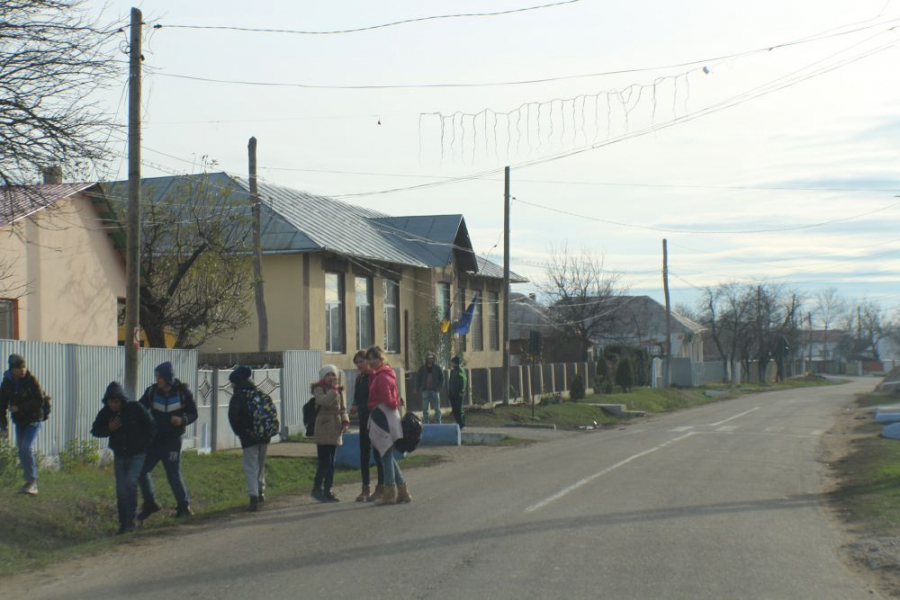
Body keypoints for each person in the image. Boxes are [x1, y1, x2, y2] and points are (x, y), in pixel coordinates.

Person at [91, 382, 156, 534]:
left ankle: (132, 521)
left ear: (122, 400)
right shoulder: (106, 413)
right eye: (111, 402)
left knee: (131, 482)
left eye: (116, 401)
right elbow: (95, 430)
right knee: (121, 490)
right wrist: (109, 429)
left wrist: (144, 444)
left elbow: (151, 425)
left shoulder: (135, 408)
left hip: (138, 454)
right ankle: (123, 523)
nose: (113, 405)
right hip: (120, 455)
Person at [137, 361, 198, 520]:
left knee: (173, 475)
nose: (157, 379)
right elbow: (140, 409)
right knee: (142, 471)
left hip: (172, 441)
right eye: (156, 376)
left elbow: (193, 413)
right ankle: (150, 503)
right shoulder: (151, 391)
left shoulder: (183, 392)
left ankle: (184, 507)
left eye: (160, 377)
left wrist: (183, 419)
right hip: (154, 441)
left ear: (167, 377)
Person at [0, 354, 50, 496]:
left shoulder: (31, 380)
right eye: (19, 367)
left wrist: (20, 408)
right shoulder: (6, 383)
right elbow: (1, 406)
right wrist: (3, 427)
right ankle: (28, 482)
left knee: (26, 448)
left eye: (24, 366)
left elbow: (39, 401)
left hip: (34, 419)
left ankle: (32, 482)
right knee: (21, 451)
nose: (22, 370)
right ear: (12, 370)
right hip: (20, 422)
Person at [366, 346, 411, 505]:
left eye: (374, 358)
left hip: (383, 418)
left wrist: (396, 402)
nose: (371, 362)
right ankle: (403, 492)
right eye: (369, 358)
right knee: (388, 456)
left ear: (381, 359)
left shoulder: (382, 377)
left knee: (385, 455)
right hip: (384, 417)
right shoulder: (383, 374)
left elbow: (389, 400)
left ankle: (390, 493)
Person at [227, 365, 272, 512]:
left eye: (232, 382)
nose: (231, 385)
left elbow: (233, 417)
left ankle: (253, 497)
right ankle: (261, 491)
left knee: (250, 466)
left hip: (249, 438)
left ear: (236, 382)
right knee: (260, 463)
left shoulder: (238, 396)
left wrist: (241, 433)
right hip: (264, 436)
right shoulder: (259, 393)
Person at [311, 365, 350, 503]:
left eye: (333, 375)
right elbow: (325, 402)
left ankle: (328, 490)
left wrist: (345, 421)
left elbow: (343, 409)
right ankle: (316, 488)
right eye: (328, 375)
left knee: (332, 462)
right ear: (323, 377)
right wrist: (333, 390)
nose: (331, 378)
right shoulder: (318, 389)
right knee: (324, 461)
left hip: (335, 426)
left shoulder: (339, 391)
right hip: (323, 426)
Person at [351, 350, 384, 503]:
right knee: (364, 453)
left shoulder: (374, 377)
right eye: (357, 362)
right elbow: (357, 398)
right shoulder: (359, 379)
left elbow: (374, 400)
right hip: (363, 420)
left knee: (378, 454)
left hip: (375, 419)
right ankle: (365, 488)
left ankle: (381, 487)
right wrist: (354, 406)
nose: (359, 365)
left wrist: (360, 407)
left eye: (361, 361)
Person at [416, 351, 444, 425]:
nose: (430, 359)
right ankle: (426, 423)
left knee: (437, 408)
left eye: (432, 358)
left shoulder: (437, 368)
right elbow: (418, 378)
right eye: (429, 358)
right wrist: (417, 388)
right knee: (425, 409)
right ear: (426, 359)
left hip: (435, 391)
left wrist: (439, 388)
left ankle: (438, 423)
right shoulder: (422, 368)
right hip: (425, 391)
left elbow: (442, 379)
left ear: (434, 359)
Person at [448, 356, 467, 430]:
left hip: (459, 394)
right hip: (452, 394)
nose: (451, 363)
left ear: (455, 362)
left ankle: (462, 424)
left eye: (452, 362)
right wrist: (450, 392)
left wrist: (461, 391)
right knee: (455, 409)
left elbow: (463, 381)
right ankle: (458, 423)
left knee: (459, 409)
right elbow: (450, 382)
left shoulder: (460, 370)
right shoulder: (453, 371)